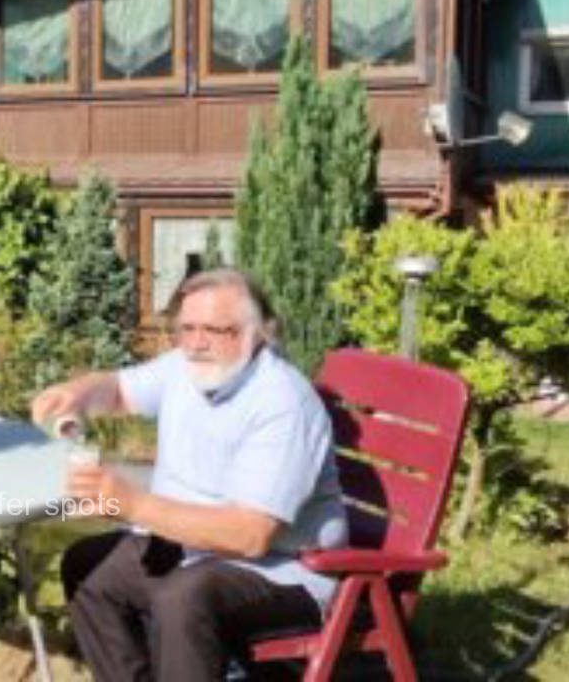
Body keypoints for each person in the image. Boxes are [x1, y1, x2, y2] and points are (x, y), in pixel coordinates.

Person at [30, 269, 347, 681]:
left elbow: (250, 535)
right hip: (194, 549)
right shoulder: (188, 368)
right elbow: (121, 391)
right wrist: (80, 392)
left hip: (283, 570)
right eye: (187, 328)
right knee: (89, 567)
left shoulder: (282, 404)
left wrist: (135, 504)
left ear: (257, 333)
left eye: (215, 330)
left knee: (183, 597)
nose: (196, 342)